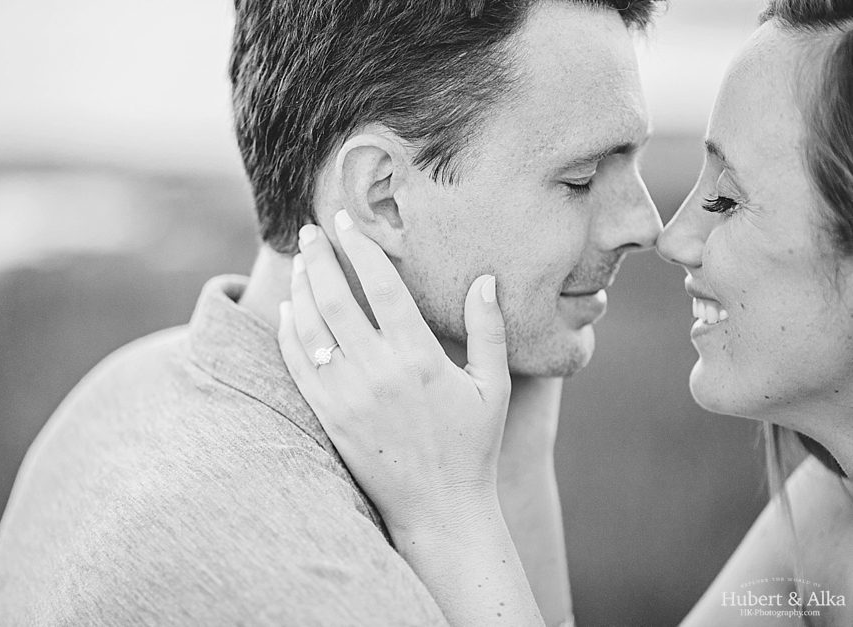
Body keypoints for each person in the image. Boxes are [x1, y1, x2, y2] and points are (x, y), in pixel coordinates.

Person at [0, 1, 663, 624]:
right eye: (580, 179)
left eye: (635, 160)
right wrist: (456, 521)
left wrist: (514, 468)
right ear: (382, 195)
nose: (645, 223)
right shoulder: (321, 592)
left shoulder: (116, 392)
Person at [279, 0, 853, 625]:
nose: (669, 236)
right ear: (383, 194)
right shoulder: (829, 518)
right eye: (581, 179)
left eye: (726, 199)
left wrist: (446, 510)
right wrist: (518, 453)